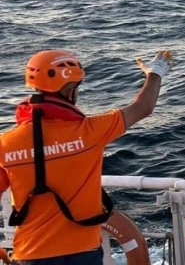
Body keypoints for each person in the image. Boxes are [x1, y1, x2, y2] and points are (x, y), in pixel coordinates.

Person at [0, 50, 174, 264]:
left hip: (29, 255)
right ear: (72, 89)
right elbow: (143, 107)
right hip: (84, 253)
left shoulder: (5, 144)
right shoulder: (90, 131)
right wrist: (155, 73)